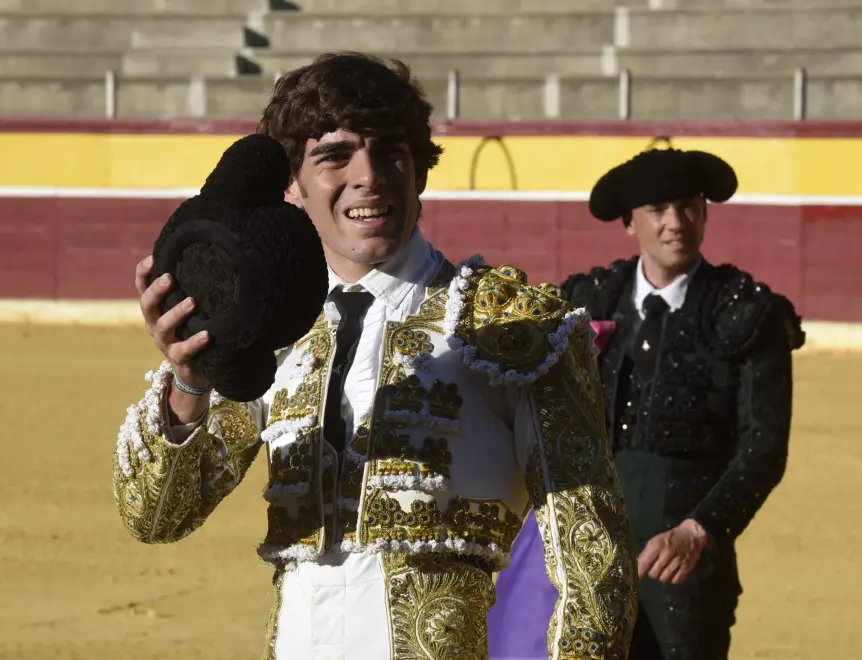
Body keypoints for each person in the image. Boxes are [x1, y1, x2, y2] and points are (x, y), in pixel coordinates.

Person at [112, 51, 637, 659]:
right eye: (335, 156)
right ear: (293, 186)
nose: (370, 175)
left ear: (420, 171)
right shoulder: (270, 332)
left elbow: (593, 566)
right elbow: (155, 516)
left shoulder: (514, 329)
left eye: (390, 151)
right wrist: (190, 383)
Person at [492, 147, 805, 660]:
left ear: (704, 212)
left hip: (682, 559)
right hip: (583, 549)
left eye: (688, 206)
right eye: (658, 210)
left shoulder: (747, 312)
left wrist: (699, 531)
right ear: (629, 223)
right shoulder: (586, 300)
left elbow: (763, 447)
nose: (675, 223)